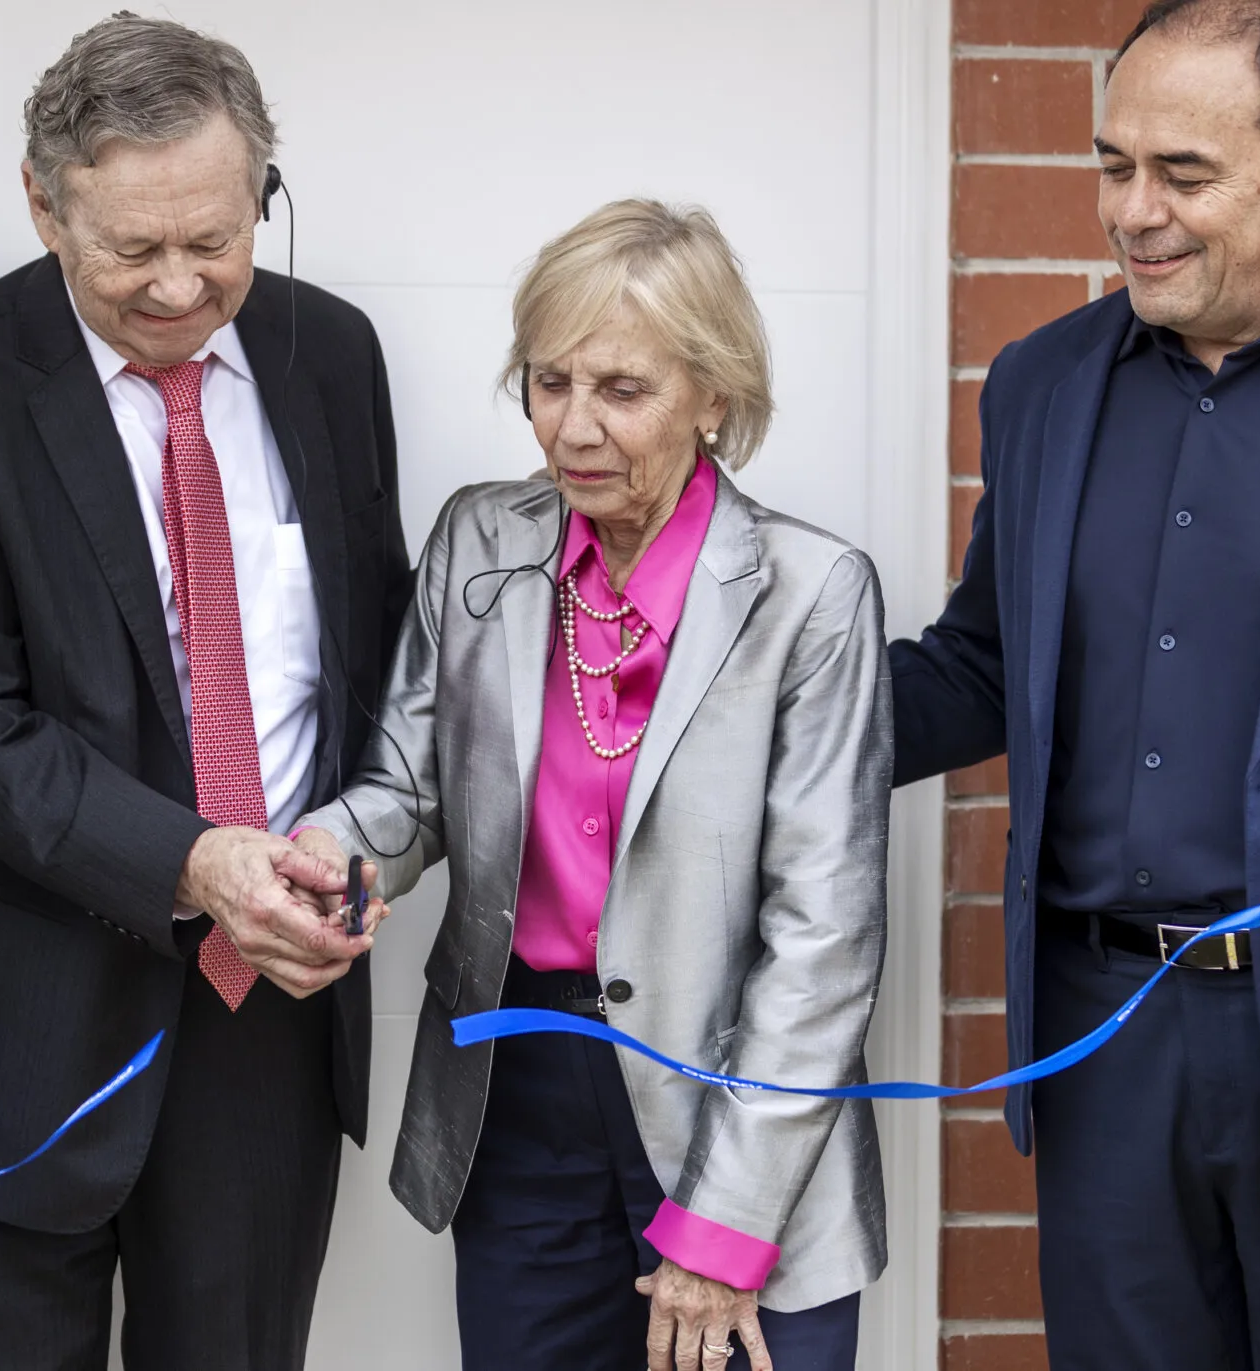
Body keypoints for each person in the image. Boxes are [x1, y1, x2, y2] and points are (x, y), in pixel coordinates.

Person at [0, 14, 410, 1370]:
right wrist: (201, 861)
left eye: (213, 240)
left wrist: (355, 841)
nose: (177, 286)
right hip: (6, 1026)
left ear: (262, 190)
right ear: (43, 203)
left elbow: (373, 657)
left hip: (262, 1012)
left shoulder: (331, 353)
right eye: (132, 248)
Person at [290, 200, 887, 1371]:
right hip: (521, 1102)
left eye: (621, 388)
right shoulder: (481, 542)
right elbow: (405, 792)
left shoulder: (811, 593)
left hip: (736, 1103)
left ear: (713, 396)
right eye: (547, 381)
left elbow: (824, 939)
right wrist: (306, 861)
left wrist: (721, 1229)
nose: (573, 428)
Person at [892, 2, 1260, 1365]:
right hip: (1107, 1038)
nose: (1134, 211)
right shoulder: (1042, 383)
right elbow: (980, 667)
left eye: (1182, 175)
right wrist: (736, 706)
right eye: (1112, 164)